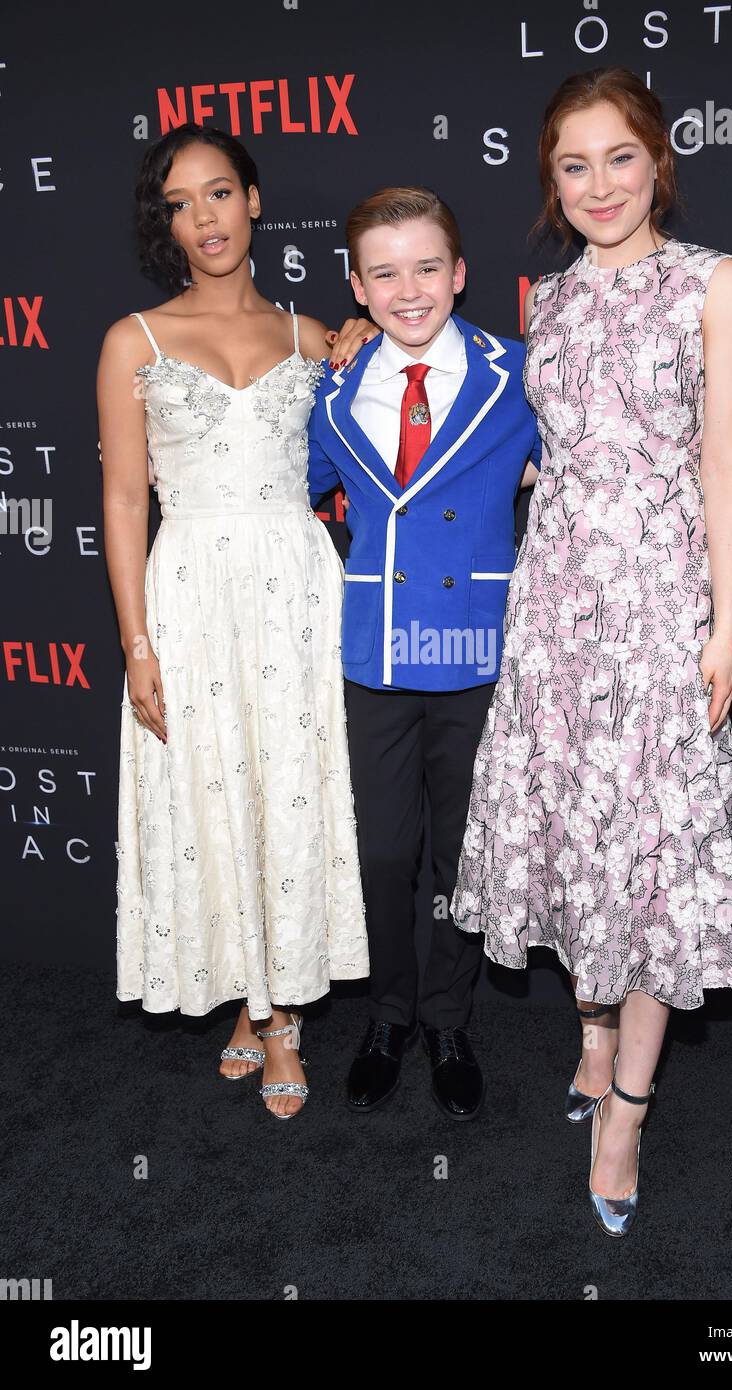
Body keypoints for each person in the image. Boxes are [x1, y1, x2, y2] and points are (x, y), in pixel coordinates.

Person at [451, 68, 732, 1229]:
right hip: (554, 604)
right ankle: (589, 1040)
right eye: (571, 166)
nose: (597, 185)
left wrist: (721, 625)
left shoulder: (713, 284)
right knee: (571, 828)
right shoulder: (551, 296)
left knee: (646, 850)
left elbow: (723, 461)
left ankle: (626, 1108)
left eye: (617, 158)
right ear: (549, 180)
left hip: (658, 605)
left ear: (657, 161)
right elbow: (540, 440)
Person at [99, 123, 375, 1120]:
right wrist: (137, 642)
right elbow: (126, 503)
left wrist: (357, 343)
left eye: (219, 193)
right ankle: (246, 999)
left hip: (294, 588)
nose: (204, 217)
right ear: (165, 223)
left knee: (287, 786)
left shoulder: (313, 338)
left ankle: (285, 1013)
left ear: (254, 202)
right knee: (210, 787)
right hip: (188, 592)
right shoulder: (134, 339)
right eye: (180, 203)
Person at [307, 187, 541, 1120]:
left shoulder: (517, 372)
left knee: (459, 856)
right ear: (356, 286)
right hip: (374, 653)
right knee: (381, 853)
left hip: (477, 652)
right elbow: (296, 495)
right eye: (386, 272)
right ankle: (388, 1013)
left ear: (461, 273)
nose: (410, 291)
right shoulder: (332, 389)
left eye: (428, 267)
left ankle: (448, 1015)